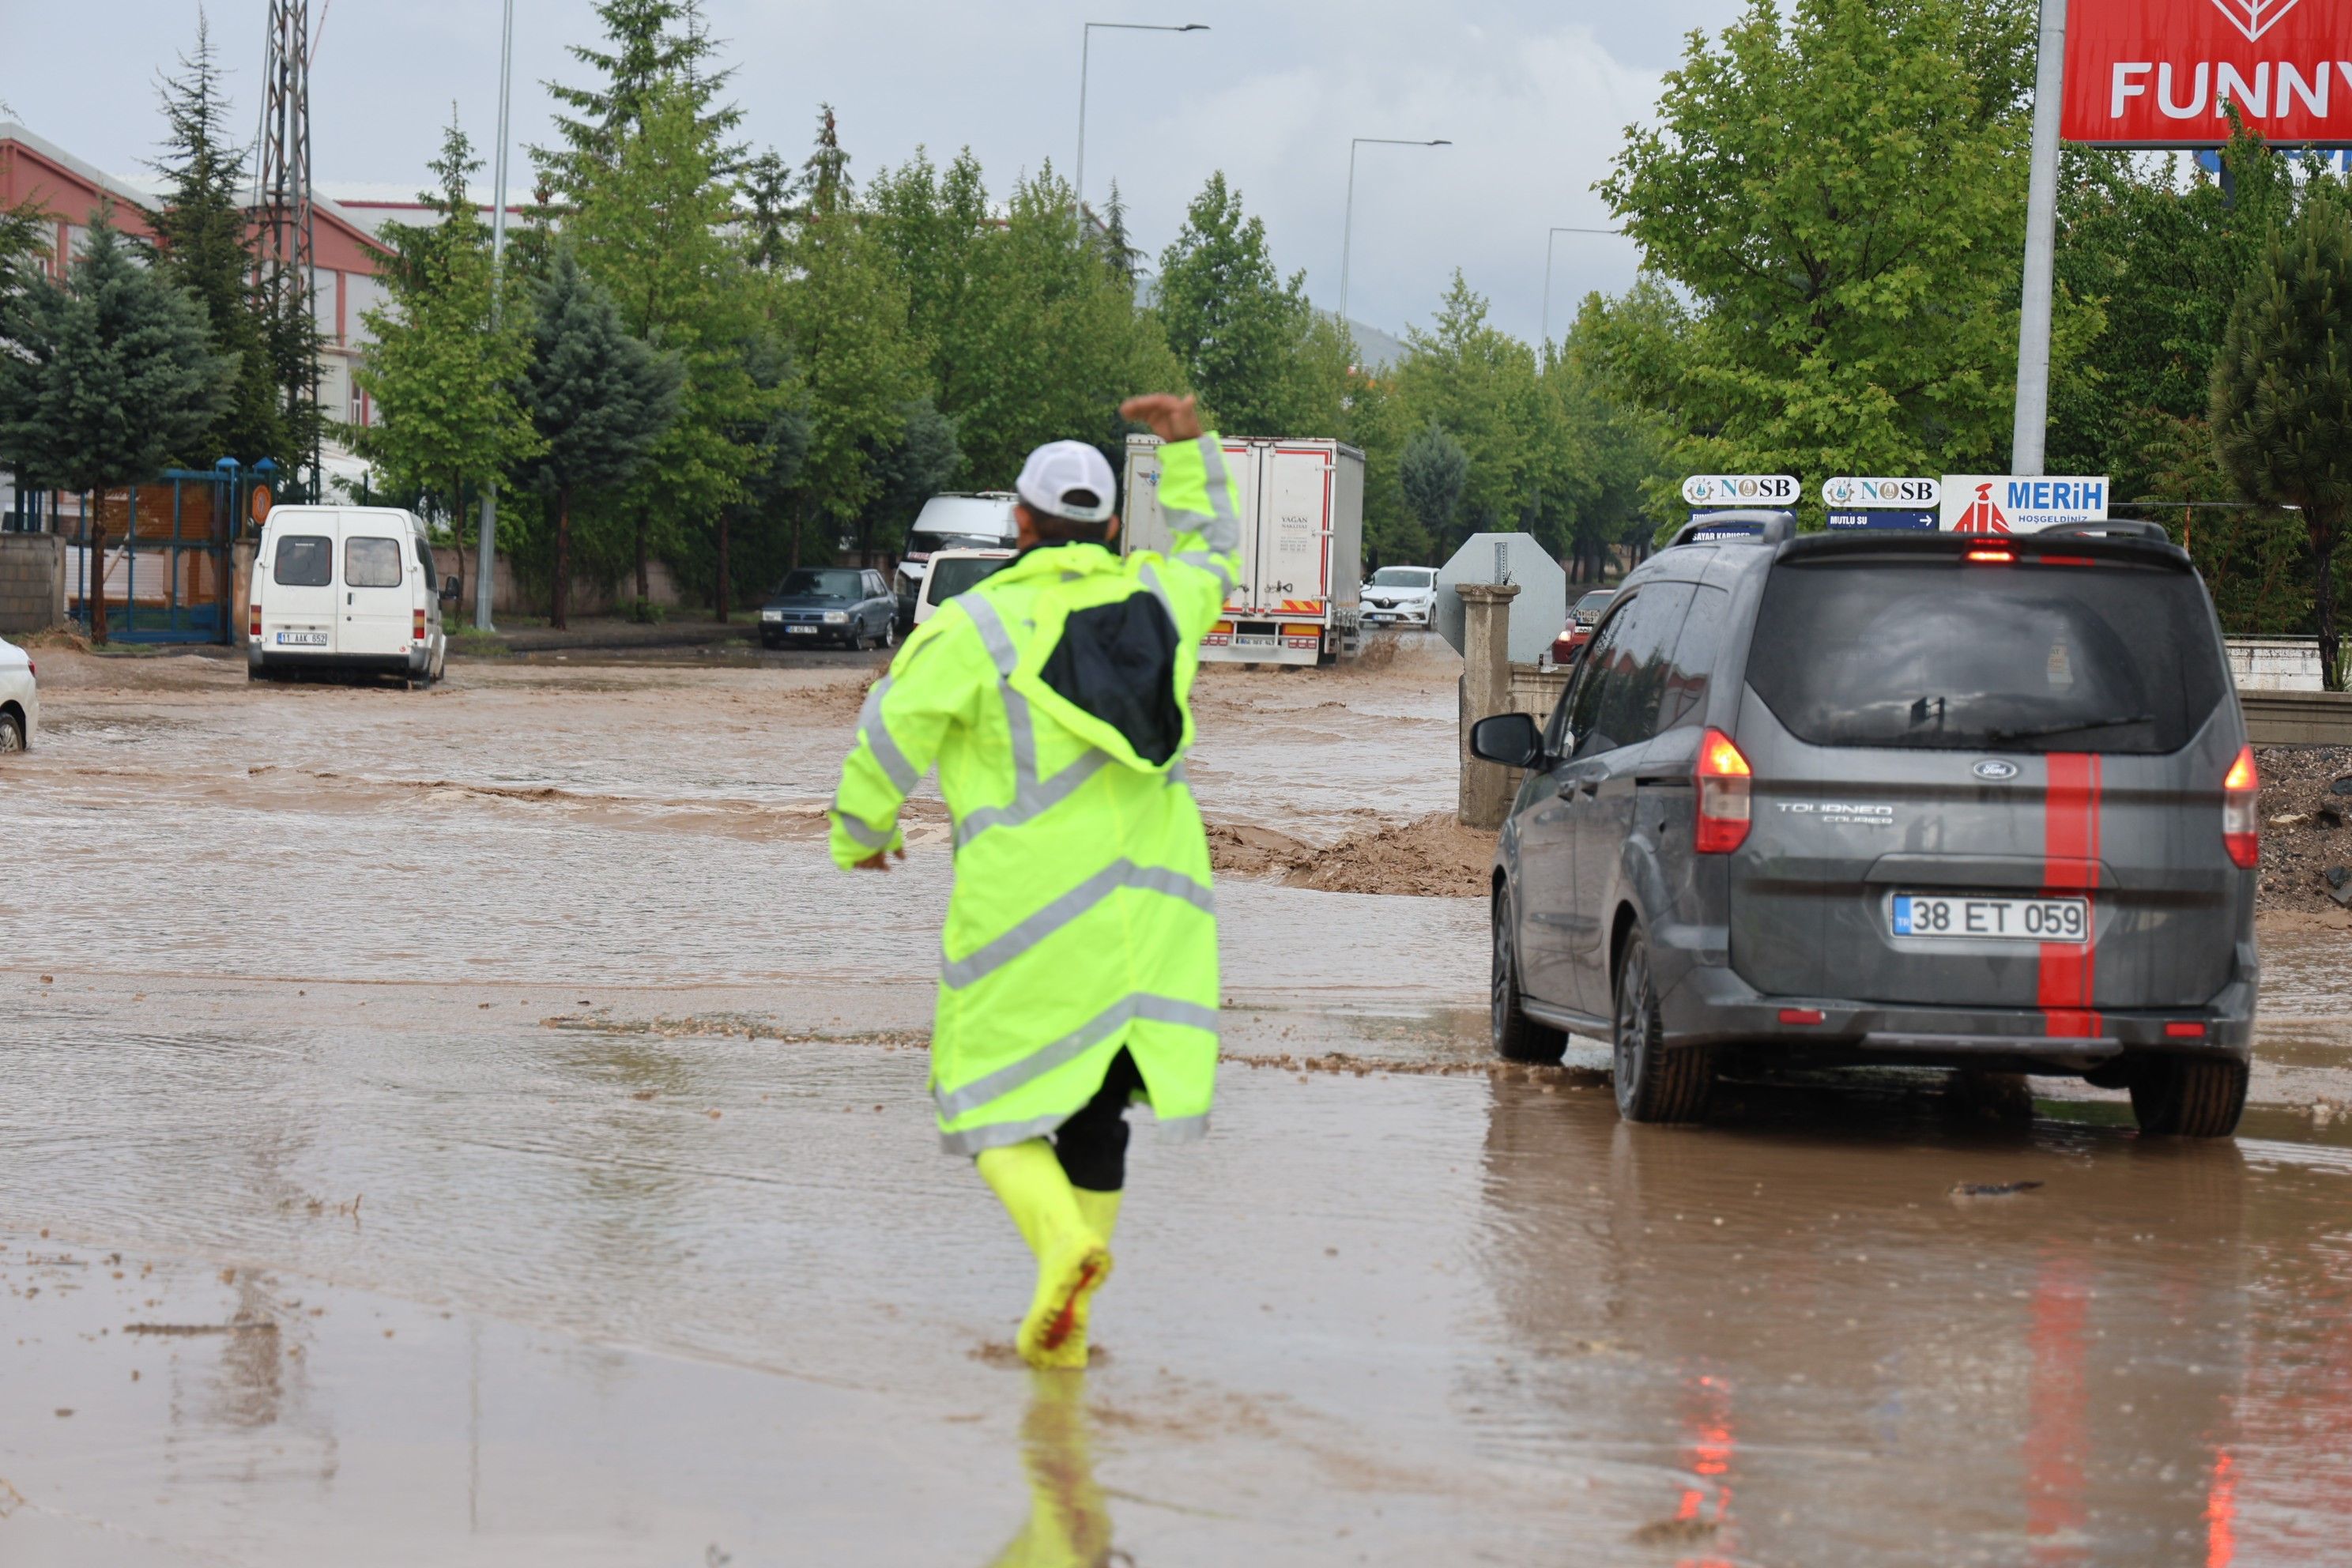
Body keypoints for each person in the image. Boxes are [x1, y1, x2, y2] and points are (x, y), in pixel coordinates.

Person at [827, 393, 1242, 1370]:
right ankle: (1070, 1332)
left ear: (1018, 521)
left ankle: (1063, 1248)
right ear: (1107, 523)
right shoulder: (1163, 609)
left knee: (980, 1100)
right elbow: (1215, 551)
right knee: (1100, 1111)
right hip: (1150, 929)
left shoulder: (977, 628)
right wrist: (1191, 450)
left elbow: (892, 732)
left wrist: (861, 832)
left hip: (1027, 920)